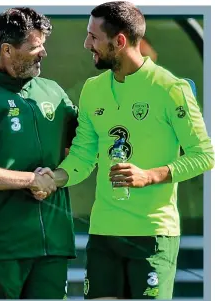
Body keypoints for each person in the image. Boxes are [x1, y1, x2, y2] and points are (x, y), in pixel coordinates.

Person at [34, 1, 214, 299]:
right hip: (104, 232)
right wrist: (55, 179)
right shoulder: (93, 89)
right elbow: (82, 155)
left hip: (153, 233)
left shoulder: (171, 89)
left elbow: (204, 155)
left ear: (119, 42)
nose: (86, 43)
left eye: (93, 37)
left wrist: (150, 175)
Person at [0, 7, 78, 299]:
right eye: (35, 47)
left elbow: (85, 147)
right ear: (6, 50)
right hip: (0, 248)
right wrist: (30, 180)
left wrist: (57, 177)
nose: (43, 53)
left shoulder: (54, 93)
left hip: (53, 247)